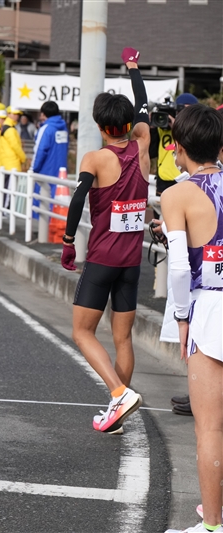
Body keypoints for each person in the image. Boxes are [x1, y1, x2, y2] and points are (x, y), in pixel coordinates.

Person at [60, 48, 150, 434]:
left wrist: (67, 241)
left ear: (100, 124)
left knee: (81, 331)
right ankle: (118, 407)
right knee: (122, 338)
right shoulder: (143, 145)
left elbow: (79, 198)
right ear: (129, 123)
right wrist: (133, 69)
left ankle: (118, 392)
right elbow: (143, 106)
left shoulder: (95, 159)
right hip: (132, 262)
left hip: (102, 259)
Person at [160, 105, 223, 533]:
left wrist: (181, 318)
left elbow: (180, 268)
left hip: (211, 308)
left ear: (179, 147)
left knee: (210, 429)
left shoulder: (177, 194)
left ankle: (213, 525)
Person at [31, 101, 69, 218]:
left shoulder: (46, 128)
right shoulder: (63, 128)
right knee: (56, 204)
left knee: (42, 203)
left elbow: (40, 150)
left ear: (43, 114)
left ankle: (41, 233)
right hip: (60, 172)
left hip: (45, 170)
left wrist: (34, 168)